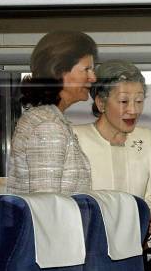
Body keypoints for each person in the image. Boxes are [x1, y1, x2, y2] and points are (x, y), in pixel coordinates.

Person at [73, 60, 151, 243]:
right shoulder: (76, 140)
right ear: (101, 103)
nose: (133, 110)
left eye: (139, 101)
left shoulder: (147, 140)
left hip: (136, 246)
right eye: (124, 101)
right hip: (90, 246)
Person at [7, 31, 97, 194]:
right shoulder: (48, 126)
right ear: (59, 71)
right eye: (87, 69)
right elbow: (47, 206)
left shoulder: (48, 118)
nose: (93, 77)